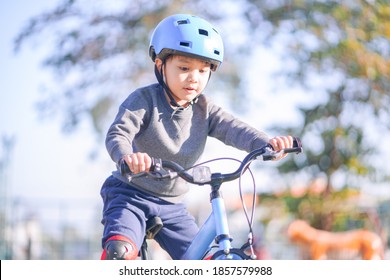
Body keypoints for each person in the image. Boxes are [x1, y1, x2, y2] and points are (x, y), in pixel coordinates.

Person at [100, 14, 294, 260]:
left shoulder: (205, 109)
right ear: (160, 65)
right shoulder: (144, 100)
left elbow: (234, 128)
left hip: (173, 205)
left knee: (204, 259)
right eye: (184, 68)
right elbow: (118, 132)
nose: (194, 78)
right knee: (121, 251)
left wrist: (267, 144)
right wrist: (127, 157)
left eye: (203, 70)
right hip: (130, 193)